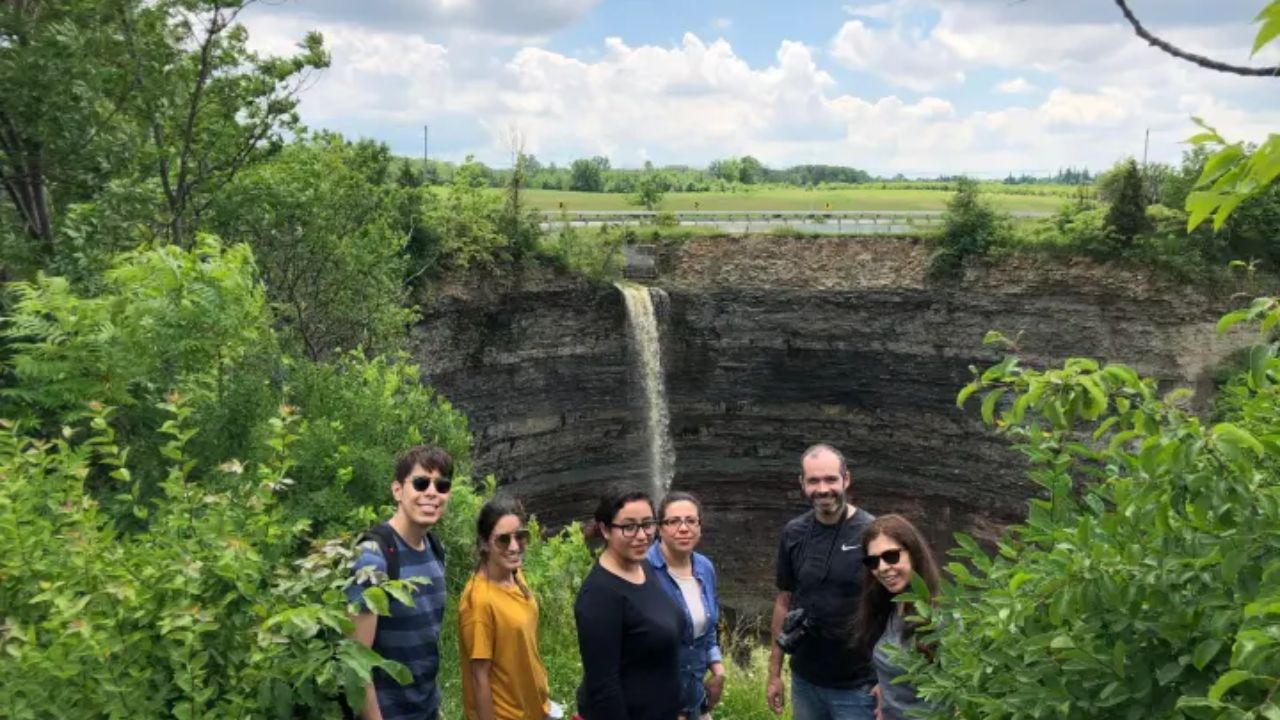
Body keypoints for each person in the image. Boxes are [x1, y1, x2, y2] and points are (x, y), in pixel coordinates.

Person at [767, 444, 877, 720]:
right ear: (802, 483)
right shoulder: (793, 533)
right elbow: (784, 600)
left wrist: (887, 680)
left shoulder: (872, 533)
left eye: (830, 479)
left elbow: (894, 607)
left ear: (846, 479)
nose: (823, 489)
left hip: (858, 687)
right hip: (805, 682)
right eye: (813, 481)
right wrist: (774, 673)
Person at [347, 445, 454, 720]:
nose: (432, 492)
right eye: (421, 483)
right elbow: (357, 661)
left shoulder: (434, 549)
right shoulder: (373, 558)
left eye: (441, 486)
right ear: (397, 490)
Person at [574, 486, 686, 720]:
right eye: (628, 527)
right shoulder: (599, 595)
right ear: (605, 530)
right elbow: (604, 688)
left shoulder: (644, 567)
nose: (642, 535)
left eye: (647, 524)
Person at [459, 496, 552, 720]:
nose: (514, 546)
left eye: (520, 536)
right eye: (503, 540)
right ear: (484, 543)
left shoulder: (514, 573)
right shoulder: (479, 602)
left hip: (534, 709)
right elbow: (479, 677)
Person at [852, 515, 941, 720]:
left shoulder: (940, 617)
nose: (882, 568)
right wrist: (885, 685)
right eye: (873, 561)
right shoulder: (896, 605)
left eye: (891, 556)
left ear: (914, 554)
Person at [646, 492, 725, 720]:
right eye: (673, 521)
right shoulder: (643, 572)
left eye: (691, 521)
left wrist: (718, 672)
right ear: (660, 528)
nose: (683, 528)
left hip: (695, 699)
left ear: (700, 527)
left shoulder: (705, 567)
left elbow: (709, 628)